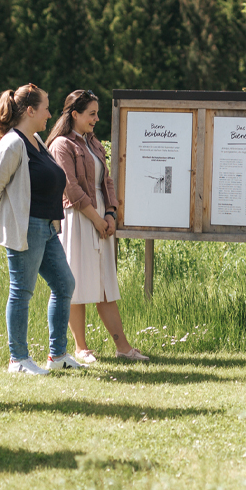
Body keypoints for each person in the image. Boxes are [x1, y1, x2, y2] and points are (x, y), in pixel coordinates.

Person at [46, 89, 148, 363]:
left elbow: (107, 182)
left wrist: (111, 214)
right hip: (79, 219)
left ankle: (123, 348)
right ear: (75, 114)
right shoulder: (61, 145)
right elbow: (71, 187)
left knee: (105, 283)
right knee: (76, 283)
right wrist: (96, 218)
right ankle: (81, 348)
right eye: (91, 114)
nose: (96, 119)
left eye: (96, 113)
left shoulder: (93, 143)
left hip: (101, 217)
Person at [0, 83, 82, 374]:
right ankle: (18, 359)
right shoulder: (13, 143)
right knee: (22, 291)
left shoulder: (37, 140)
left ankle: (58, 355)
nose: (50, 114)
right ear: (30, 110)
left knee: (65, 284)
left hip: (47, 227)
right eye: (45, 108)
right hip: (25, 227)